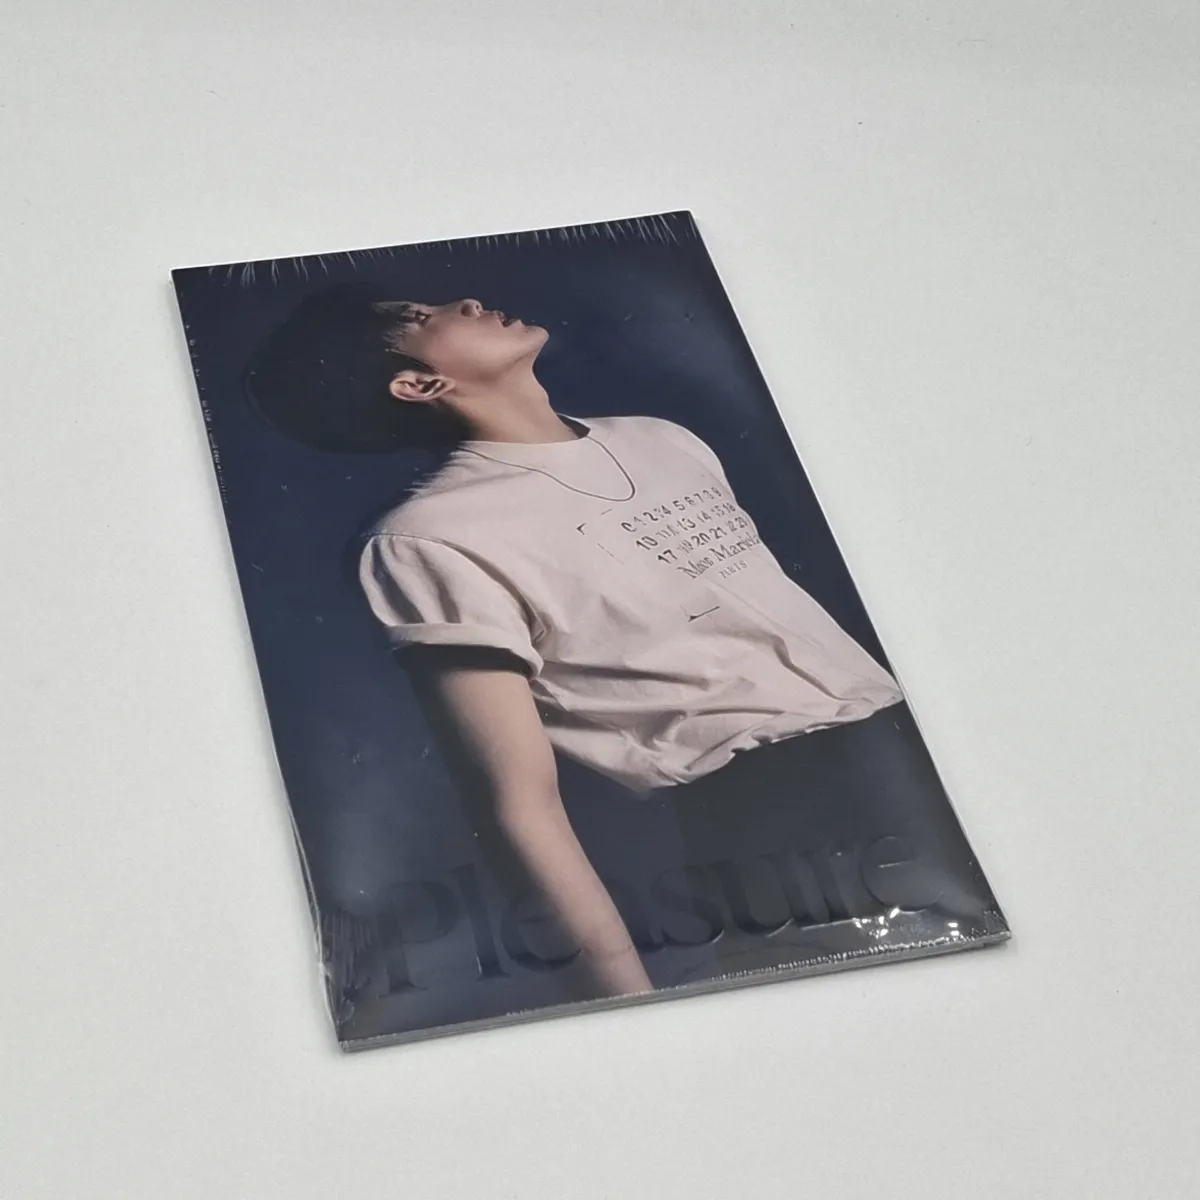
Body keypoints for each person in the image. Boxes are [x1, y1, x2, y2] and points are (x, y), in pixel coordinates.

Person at [245, 284, 941, 997]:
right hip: (792, 822)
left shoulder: (661, 440)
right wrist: (625, 1000)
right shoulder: (427, 538)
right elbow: (519, 804)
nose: (467, 301)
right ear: (420, 384)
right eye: (422, 318)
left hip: (916, 757)